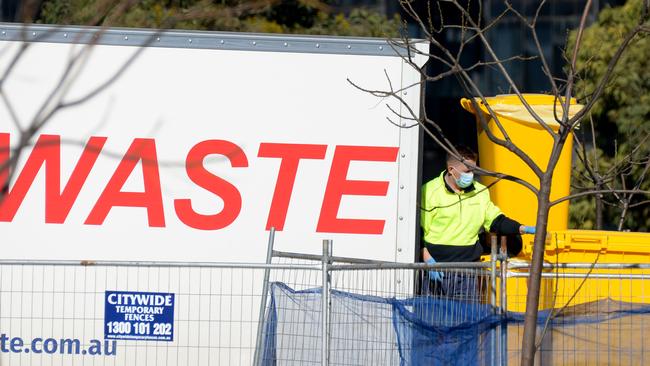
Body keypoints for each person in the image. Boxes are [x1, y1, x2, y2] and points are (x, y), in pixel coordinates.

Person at [420, 146, 535, 298]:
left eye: (473, 170)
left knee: (467, 320)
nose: (471, 175)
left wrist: (522, 228)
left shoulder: (480, 192)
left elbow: (496, 220)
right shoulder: (428, 191)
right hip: (437, 270)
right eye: (467, 171)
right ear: (451, 169)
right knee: (433, 320)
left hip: (468, 273)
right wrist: (427, 259)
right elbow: (417, 231)